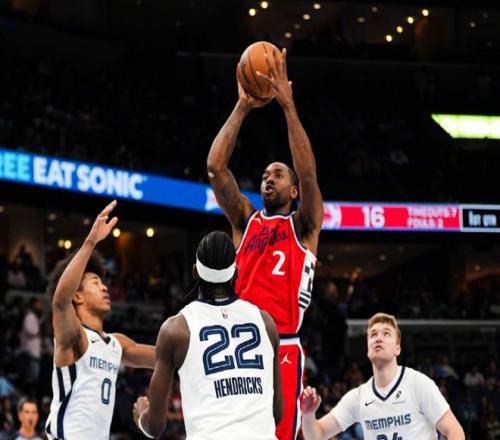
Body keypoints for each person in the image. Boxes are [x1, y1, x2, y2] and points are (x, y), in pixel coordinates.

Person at [207, 47, 323, 440]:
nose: (268, 179)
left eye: (277, 174)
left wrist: (288, 106)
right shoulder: (245, 219)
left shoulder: (304, 225)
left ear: (293, 190)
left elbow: (309, 174)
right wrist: (242, 107)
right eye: (264, 175)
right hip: (237, 345)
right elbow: (215, 168)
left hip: (282, 347)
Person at [132, 231, 283, 439]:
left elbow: (155, 427)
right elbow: (276, 414)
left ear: (195, 271)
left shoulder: (176, 329)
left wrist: (142, 417)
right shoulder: (265, 322)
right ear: (236, 272)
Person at [44, 200, 156, 440]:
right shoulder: (75, 336)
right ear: (77, 296)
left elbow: (165, 357)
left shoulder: (117, 344)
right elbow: (60, 301)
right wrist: (91, 241)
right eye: (95, 283)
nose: (105, 288)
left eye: (103, 283)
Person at [301, 312, 465, 440]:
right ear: (368, 349)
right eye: (373, 335)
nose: (378, 338)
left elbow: (454, 430)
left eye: (386, 334)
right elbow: (317, 435)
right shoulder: (358, 397)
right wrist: (308, 415)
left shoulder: (418, 384)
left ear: (397, 349)